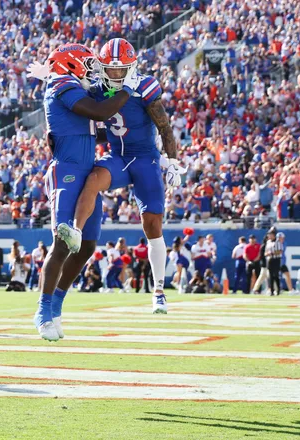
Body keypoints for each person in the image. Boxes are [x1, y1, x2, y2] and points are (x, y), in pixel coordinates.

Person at [27, 43, 137, 341]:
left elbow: (93, 125)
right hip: (67, 171)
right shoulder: (62, 84)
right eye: (87, 65)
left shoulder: (68, 85)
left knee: (87, 245)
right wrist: (126, 90)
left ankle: (58, 305)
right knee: (63, 242)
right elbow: (99, 112)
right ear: (71, 66)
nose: (92, 70)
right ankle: (43, 309)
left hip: (86, 170)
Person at [70, 38, 187, 314]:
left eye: (121, 69)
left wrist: (171, 161)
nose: (116, 75)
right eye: (111, 70)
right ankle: (75, 230)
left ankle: (158, 291)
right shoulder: (96, 89)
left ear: (131, 67)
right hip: (118, 156)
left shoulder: (144, 87)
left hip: (145, 158)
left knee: (152, 224)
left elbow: (165, 128)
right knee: (93, 179)